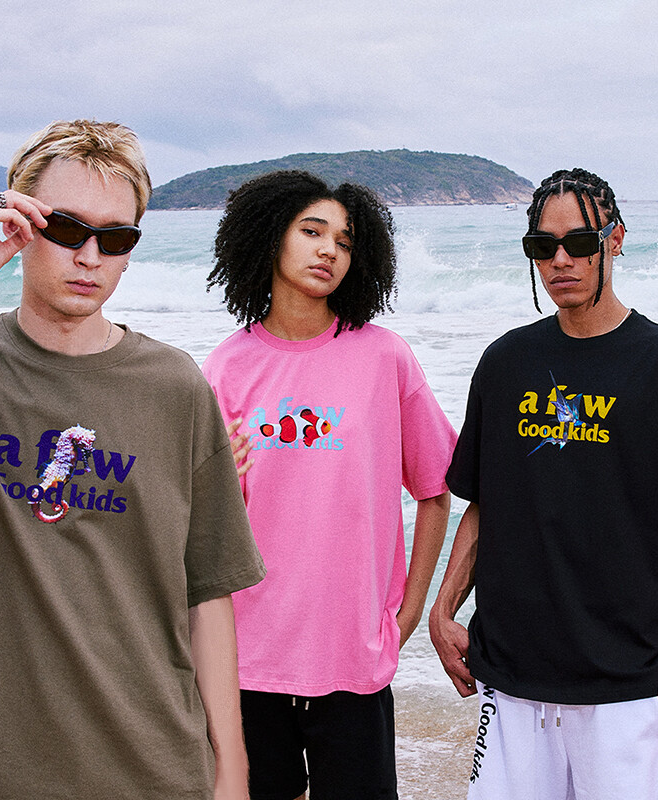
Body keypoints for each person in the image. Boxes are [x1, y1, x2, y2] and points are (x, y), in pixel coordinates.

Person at [0, 119, 265, 800]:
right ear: (19, 225)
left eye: (115, 238)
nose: (89, 256)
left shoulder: (174, 387)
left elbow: (208, 593)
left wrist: (231, 771)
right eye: (65, 228)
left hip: (150, 768)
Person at [429, 167, 658, 800]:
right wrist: (443, 608)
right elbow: (483, 505)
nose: (560, 260)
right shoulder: (505, 362)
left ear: (615, 240)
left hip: (626, 684)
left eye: (580, 243)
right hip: (511, 676)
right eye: (543, 246)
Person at [203, 170, 457, 800]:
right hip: (248, 657)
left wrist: (409, 611)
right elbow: (203, 527)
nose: (329, 252)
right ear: (269, 237)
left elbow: (436, 488)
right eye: (312, 232)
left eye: (344, 242)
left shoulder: (384, 357)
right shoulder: (227, 368)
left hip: (352, 655)